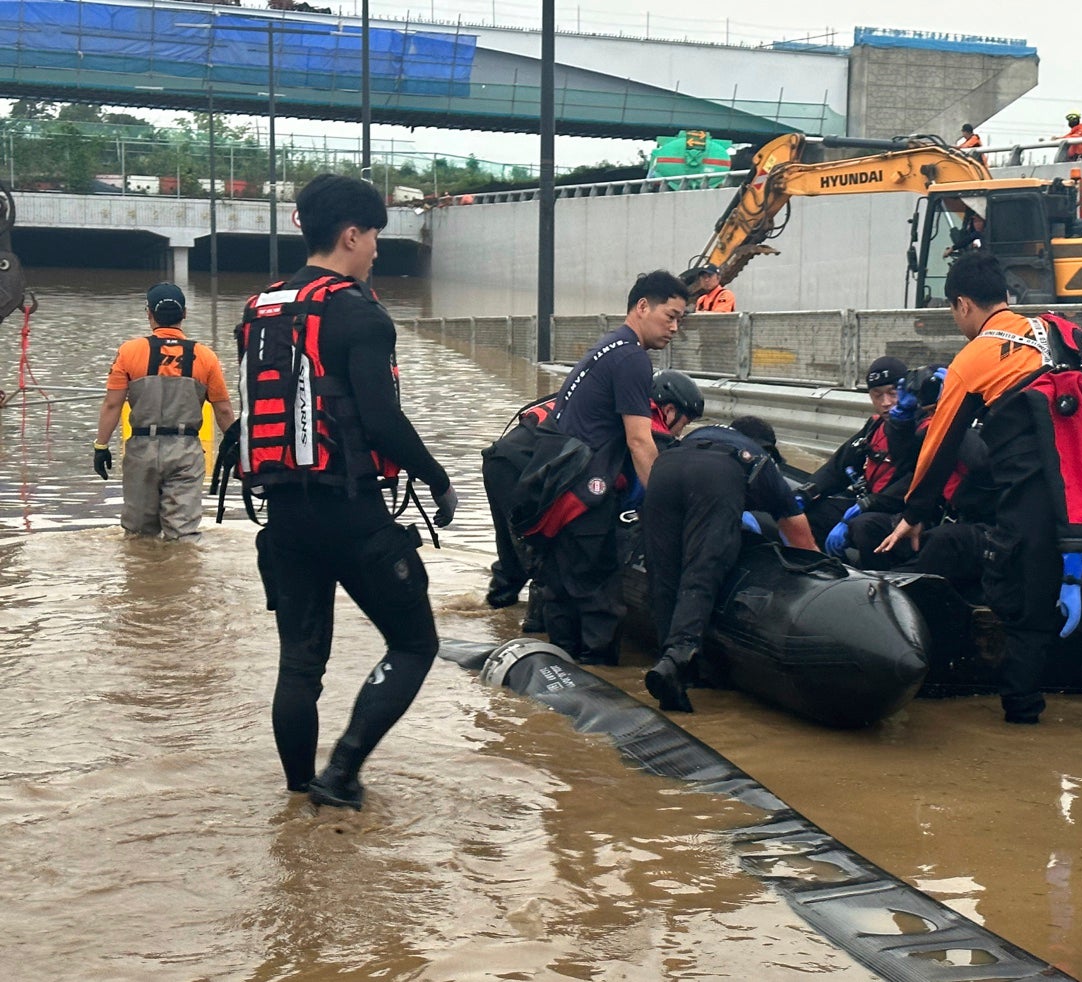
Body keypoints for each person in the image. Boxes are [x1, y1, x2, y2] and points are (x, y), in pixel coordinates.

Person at [237, 174, 459, 810]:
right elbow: (382, 419)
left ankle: (297, 795)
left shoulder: (260, 308)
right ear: (351, 235)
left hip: (284, 519)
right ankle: (342, 773)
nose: (378, 252)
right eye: (376, 238)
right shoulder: (359, 311)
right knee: (416, 642)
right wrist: (437, 476)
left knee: (300, 667)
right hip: (353, 515)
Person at [878, 250, 1082, 730]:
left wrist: (913, 512)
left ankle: (1023, 715)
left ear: (962, 305)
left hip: (1032, 498)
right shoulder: (1062, 329)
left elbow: (941, 444)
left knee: (1025, 608)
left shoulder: (974, 357)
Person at [514, 270, 687, 665]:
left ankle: (559, 677)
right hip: (585, 494)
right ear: (643, 307)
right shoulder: (632, 359)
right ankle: (601, 678)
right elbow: (640, 440)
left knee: (561, 589)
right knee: (597, 596)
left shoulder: (606, 346)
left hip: (555, 490)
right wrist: (664, 508)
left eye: (680, 319)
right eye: (671, 316)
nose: (675, 327)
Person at [481, 369, 704, 627]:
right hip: (526, 470)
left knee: (514, 555)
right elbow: (658, 477)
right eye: (684, 423)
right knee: (546, 559)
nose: (679, 432)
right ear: (668, 409)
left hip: (500, 460)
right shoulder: (646, 419)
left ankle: (495, 617)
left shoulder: (610, 398)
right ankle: (536, 637)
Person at [642, 414, 818, 712]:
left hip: (665, 466)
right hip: (716, 475)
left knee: (664, 574)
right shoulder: (760, 460)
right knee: (703, 569)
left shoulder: (701, 435)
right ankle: (679, 656)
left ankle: (670, 670)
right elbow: (801, 539)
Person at [93, 282, 236, 540]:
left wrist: (101, 446)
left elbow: (112, 404)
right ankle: (180, 576)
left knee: (138, 536)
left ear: (149, 314)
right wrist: (235, 447)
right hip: (185, 452)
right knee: (183, 535)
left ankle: (146, 579)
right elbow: (223, 410)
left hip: (141, 451)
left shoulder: (129, 352)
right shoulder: (205, 357)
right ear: (184, 314)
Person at [795, 355, 916, 543]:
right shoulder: (875, 426)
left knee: (863, 526)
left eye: (893, 393)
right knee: (814, 514)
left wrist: (866, 505)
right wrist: (805, 493)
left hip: (902, 512)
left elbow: (916, 481)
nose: (885, 402)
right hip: (868, 503)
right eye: (877, 395)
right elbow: (837, 468)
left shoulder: (924, 428)